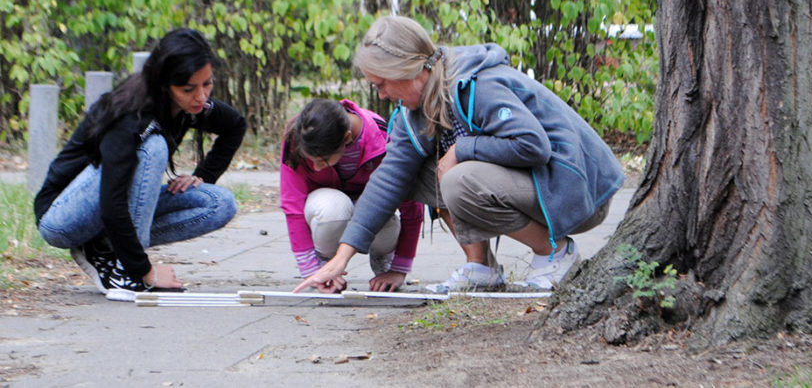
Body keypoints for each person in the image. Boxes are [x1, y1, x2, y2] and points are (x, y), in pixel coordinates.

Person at [294, 15, 625, 294]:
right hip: (541, 187)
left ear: (408, 71)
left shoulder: (477, 84)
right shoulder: (413, 110)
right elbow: (388, 180)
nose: (380, 94)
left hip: (576, 191)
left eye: (382, 84)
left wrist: (462, 149)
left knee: (458, 178)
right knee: (418, 170)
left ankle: (555, 253)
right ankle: (481, 268)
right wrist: (342, 257)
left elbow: (532, 145)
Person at [34, 28, 247, 295]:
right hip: (62, 218)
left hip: (110, 209)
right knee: (153, 146)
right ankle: (125, 268)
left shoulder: (192, 106)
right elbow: (112, 201)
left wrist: (202, 175)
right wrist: (146, 271)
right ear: (164, 83)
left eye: (207, 84)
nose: (201, 97)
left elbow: (235, 125)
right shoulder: (131, 114)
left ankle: (104, 249)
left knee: (219, 203)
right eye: (188, 89)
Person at [281, 98, 424, 292]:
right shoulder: (299, 136)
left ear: (347, 138)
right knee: (333, 207)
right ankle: (327, 264)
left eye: (321, 161)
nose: (314, 168)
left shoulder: (383, 136)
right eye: (311, 161)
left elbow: (411, 204)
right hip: (327, 205)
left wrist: (399, 268)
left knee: (385, 215)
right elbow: (293, 205)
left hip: (372, 206)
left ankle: (383, 257)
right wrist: (311, 270)